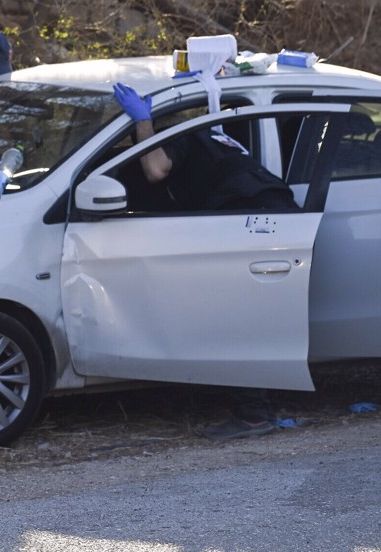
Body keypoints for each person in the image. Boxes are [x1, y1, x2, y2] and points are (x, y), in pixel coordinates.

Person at [112, 82, 298, 441]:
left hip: (250, 221)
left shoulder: (180, 136)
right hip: (276, 216)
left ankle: (253, 416)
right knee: (249, 317)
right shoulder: (214, 138)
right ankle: (256, 404)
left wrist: (143, 124)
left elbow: (155, 169)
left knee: (233, 316)